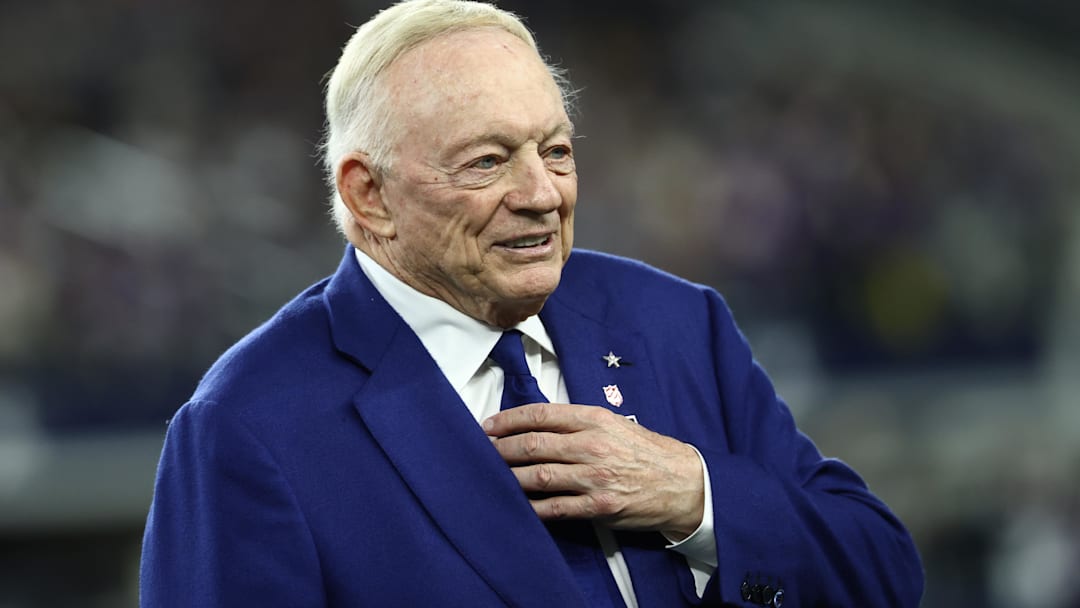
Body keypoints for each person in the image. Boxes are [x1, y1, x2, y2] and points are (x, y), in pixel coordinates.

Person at [139, 1, 924, 606]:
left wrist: (696, 497)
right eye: (488, 162)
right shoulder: (248, 427)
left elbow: (882, 571)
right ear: (368, 195)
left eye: (555, 151)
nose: (543, 194)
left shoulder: (675, 323)